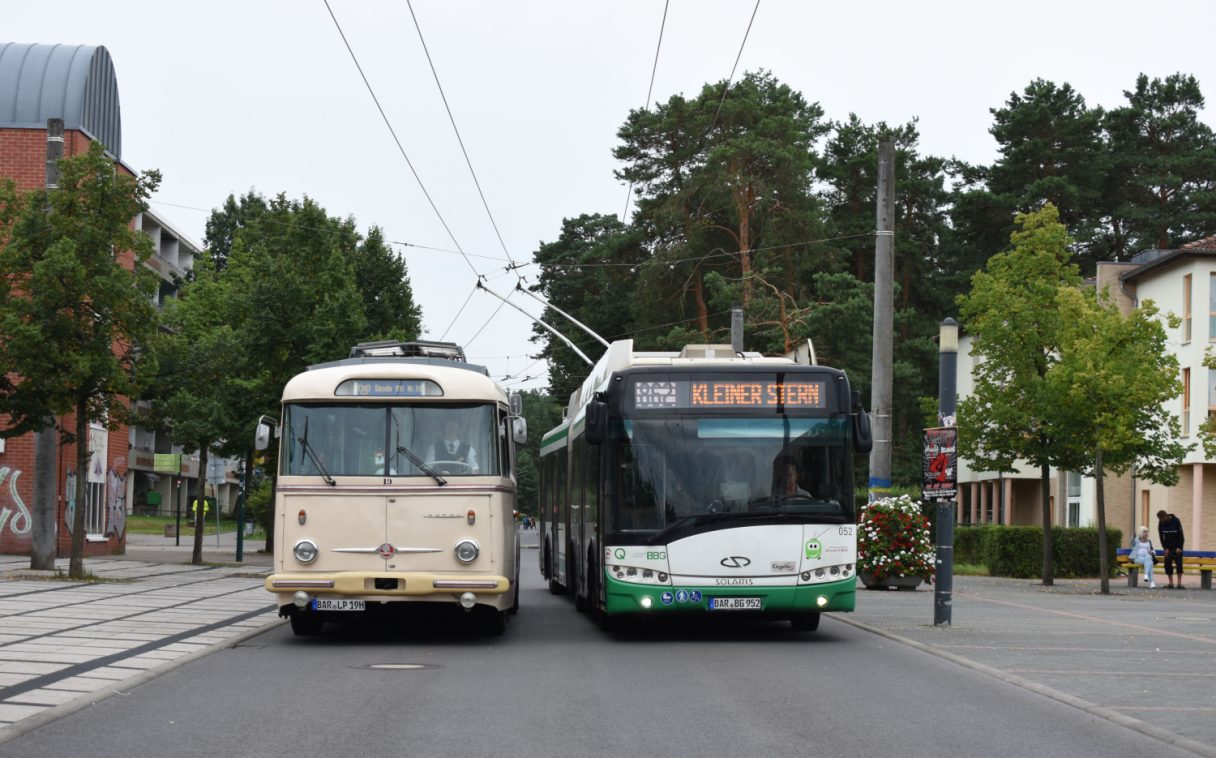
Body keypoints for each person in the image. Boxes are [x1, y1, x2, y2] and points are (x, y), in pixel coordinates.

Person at [1156, 509, 1186, 589]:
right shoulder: (1161, 523)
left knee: (1179, 565)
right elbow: (1161, 537)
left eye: (1162, 519)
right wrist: (1165, 548)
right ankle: (1171, 583)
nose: (1161, 521)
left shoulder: (1176, 521)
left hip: (1177, 547)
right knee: (1167, 565)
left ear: (1165, 516)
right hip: (1168, 548)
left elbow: (1181, 536)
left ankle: (1179, 583)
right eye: (1160, 520)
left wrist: (1179, 547)